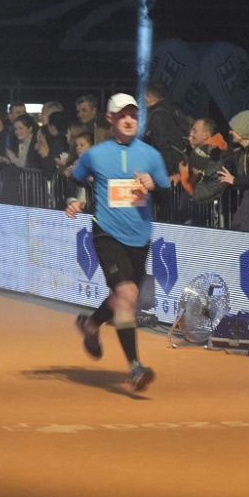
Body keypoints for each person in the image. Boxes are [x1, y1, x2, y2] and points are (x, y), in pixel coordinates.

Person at [66, 93, 170, 391]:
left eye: (133, 115)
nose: (128, 120)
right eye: (122, 115)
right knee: (126, 294)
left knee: (124, 297)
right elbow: (74, 178)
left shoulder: (151, 155)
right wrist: (75, 200)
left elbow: (169, 195)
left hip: (139, 237)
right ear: (110, 119)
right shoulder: (95, 155)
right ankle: (135, 367)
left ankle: (90, 325)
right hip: (106, 233)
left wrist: (154, 187)